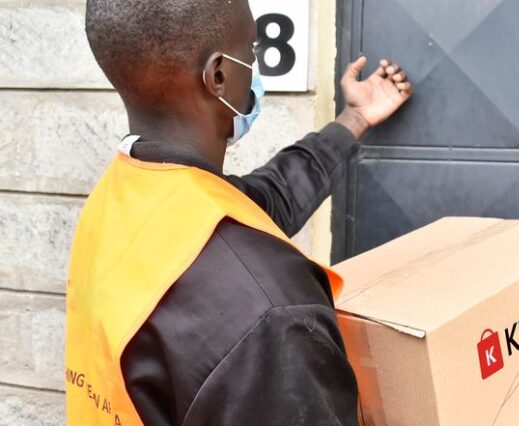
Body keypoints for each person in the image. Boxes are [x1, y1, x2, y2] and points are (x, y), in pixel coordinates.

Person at [64, 1, 413, 425]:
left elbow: (267, 197)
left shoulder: (121, 198)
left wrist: (353, 119)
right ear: (218, 76)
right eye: (251, 51)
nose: (254, 67)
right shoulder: (271, 314)